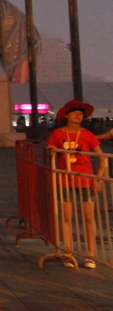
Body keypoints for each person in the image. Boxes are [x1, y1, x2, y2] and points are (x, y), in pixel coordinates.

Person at [47, 100, 113, 268]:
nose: (78, 115)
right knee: (67, 217)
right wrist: (52, 152)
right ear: (66, 115)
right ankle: (69, 253)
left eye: (81, 113)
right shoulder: (57, 134)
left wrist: (98, 179)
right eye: (75, 112)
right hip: (65, 180)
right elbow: (51, 151)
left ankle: (91, 254)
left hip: (85, 180)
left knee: (89, 217)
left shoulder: (87, 135)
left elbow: (102, 158)